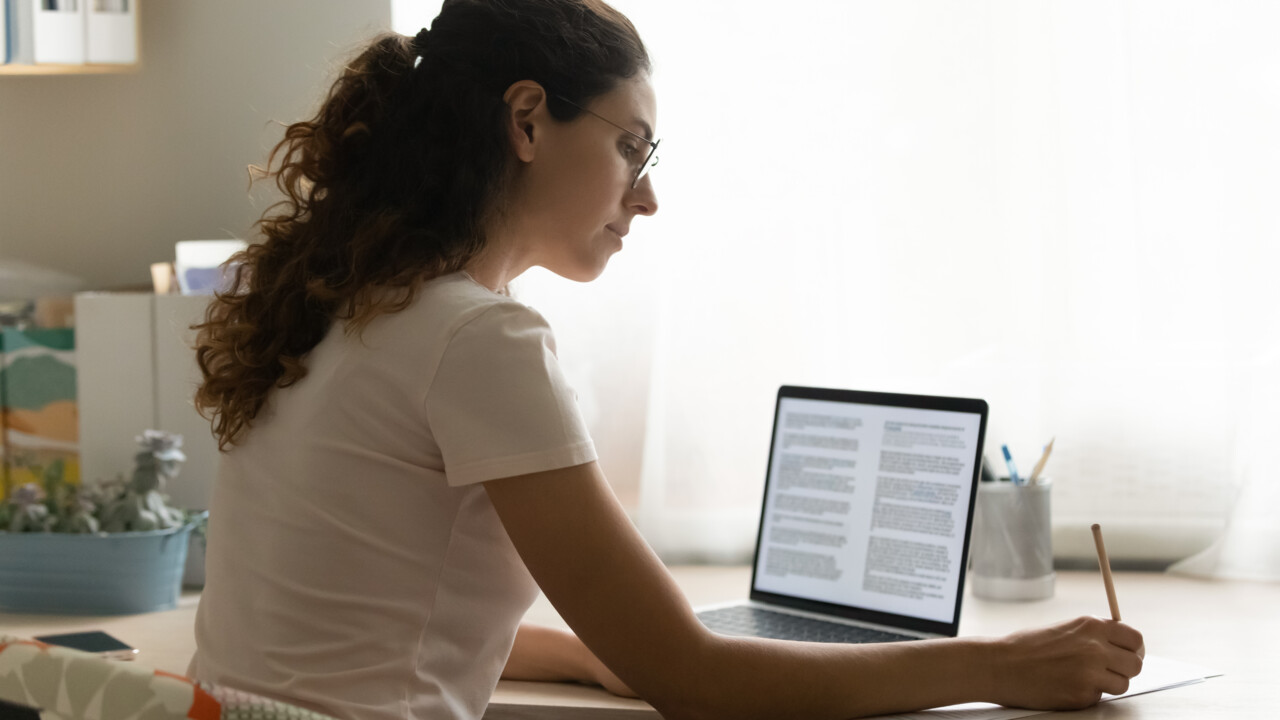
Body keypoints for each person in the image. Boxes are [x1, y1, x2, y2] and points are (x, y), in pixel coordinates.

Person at [188, 1, 1144, 719]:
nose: (645, 199)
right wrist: (996, 666)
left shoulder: (343, 308)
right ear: (526, 122)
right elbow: (694, 679)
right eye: (632, 150)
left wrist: (603, 652)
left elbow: (365, 625)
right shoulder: (479, 340)